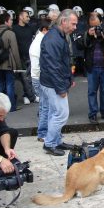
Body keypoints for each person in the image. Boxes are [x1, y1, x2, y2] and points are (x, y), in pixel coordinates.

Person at [40, 9, 78, 156]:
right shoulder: (53, 39)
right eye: (73, 24)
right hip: (53, 83)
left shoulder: (58, 36)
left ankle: (56, 141)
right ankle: (49, 143)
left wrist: (69, 79)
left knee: (56, 113)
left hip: (54, 82)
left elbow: (63, 62)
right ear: (64, 21)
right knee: (61, 114)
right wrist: (61, 88)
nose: (75, 27)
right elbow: (53, 66)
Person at [77, 12, 104, 125]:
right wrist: (88, 34)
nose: (95, 28)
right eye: (92, 26)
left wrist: (102, 37)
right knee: (92, 91)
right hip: (91, 67)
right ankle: (92, 114)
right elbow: (79, 45)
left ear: (101, 22)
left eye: (97, 26)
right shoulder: (85, 32)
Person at [0, 13, 21, 112]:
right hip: (8, 63)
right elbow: (15, 51)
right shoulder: (10, 33)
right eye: (11, 20)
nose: (12, 22)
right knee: (9, 85)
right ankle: (11, 107)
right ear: (6, 21)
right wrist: (18, 65)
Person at [29, 19, 51, 142]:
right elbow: (37, 65)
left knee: (44, 106)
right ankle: (42, 133)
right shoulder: (39, 42)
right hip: (40, 77)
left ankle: (43, 132)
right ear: (44, 30)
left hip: (37, 77)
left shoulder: (38, 40)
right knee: (45, 107)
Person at [13, 10, 37, 105]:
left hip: (30, 56)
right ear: (21, 17)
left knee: (31, 77)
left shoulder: (30, 28)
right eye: (26, 16)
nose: (28, 18)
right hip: (20, 57)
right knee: (24, 78)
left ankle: (28, 95)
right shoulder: (14, 29)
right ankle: (28, 96)